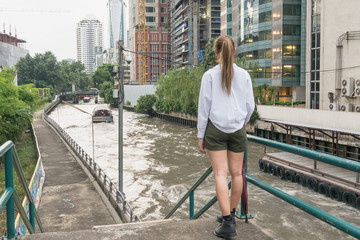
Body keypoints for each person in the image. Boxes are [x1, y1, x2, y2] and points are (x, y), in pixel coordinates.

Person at [197, 35, 255, 238]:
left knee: (220, 174)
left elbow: (204, 109)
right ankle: (230, 214)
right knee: (237, 173)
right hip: (238, 129)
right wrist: (240, 123)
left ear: (215, 52)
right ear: (235, 50)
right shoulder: (244, 75)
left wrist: (200, 135)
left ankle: (228, 223)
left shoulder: (210, 76)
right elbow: (250, 107)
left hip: (216, 129)